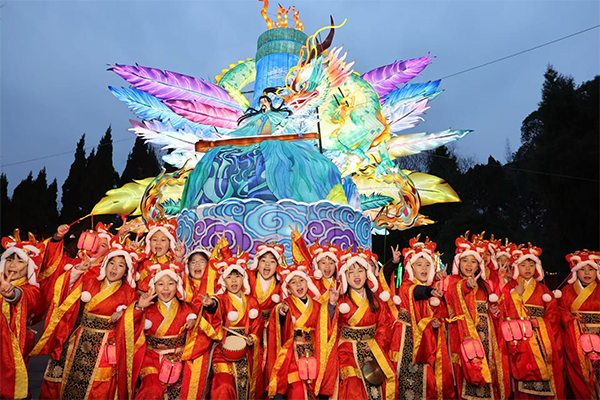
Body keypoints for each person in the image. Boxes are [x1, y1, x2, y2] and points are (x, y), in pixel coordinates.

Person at [32, 238, 139, 400]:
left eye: (120, 265)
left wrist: (124, 313)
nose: (115, 268)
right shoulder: (90, 281)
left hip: (105, 343)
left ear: (126, 271)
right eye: (112, 263)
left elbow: (133, 319)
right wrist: (77, 270)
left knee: (98, 383)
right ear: (105, 264)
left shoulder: (129, 292)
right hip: (78, 338)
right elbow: (67, 289)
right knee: (64, 376)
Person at [444, 233, 510, 400]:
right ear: (458, 262)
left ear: (478, 266)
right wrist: (467, 285)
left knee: (486, 370)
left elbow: (495, 311)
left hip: (486, 335)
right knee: (465, 372)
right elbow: (455, 292)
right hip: (463, 335)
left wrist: (495, 311)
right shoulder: (454, 281)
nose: (469, 265)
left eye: (473, 261)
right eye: (465, 260)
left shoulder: (485, 285)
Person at [389, 236, 455, 399]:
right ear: (411, 268)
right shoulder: (406, 286)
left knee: (427, 385)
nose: (424, 268)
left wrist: (436, 322)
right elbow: (415, 292)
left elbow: (441, 314)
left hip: (426, 346)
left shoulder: (434, 290)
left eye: (427, 265)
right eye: (419, 264)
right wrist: (429, 292)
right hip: (405, 342)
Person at [117, 266, 198, 400]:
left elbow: (200, 333)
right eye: (161, 284)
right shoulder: (147, 307)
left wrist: (194, 324)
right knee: (152, 388)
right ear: (154, 287)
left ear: (177, 286)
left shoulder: (187, 308)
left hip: (178, 360)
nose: (166, 288)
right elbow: (128, 327)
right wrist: (139, 308)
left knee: (184, 390)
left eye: (170, 284)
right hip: (151, 359)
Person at [330, 249, 397, 400]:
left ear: (367, 274)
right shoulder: (341, 301)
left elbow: (384, 326)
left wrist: (375, 345)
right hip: (347, 352)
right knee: (353, 387)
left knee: (378, 386)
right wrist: (332, 305)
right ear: (345, 277)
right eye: (351, 272)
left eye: (360, 270)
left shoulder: (376, 301)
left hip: (372, 349)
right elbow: (331, 327)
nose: (356, 275)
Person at [501, 243, 565, 399]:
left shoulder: (543, 290)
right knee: (523, 380)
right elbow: (505, 312)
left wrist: (540, 322)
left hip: (541, 338)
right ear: (517, 267)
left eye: (531, 264)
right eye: (524, 265)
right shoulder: (508, 287)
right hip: (520, 339)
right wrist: (518, 296)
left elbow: (553, 313)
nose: (528, 268)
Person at [201, 243, 264, 400]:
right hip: (222, 351)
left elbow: (258, 324)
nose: (234, 280)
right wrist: (210, 305)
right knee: (224, 386)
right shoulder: (221, 299)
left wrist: (253, 337)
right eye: (229, 276)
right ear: (224, 280)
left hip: (246, 352)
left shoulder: (251, 301)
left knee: (248, 386)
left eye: (237, 276)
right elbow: (216, 306)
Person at [0, 231, 44, 400]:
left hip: (10, 349)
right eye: (10, 259)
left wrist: (10, 293)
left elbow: (24, 297)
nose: (13, 264)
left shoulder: (31, 290)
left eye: (20, 261)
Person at [556, 250, 600, 399]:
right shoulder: (567, 291)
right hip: (574, 340)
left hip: (598, 339)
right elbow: (560, 311)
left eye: (591, 269)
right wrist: (571, 320)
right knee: (578, 376)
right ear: (575, 271)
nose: (587, 273)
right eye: (582, 269)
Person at [135, 219, 185, 292]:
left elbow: (181, 284)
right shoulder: (142, 262)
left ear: (169, 245)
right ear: (149, 243)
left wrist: (179, 259)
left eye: (163, 240)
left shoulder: (173, 263)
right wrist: (133, 252)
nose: (158, 243)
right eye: (155, 240)